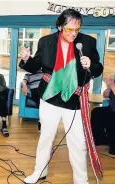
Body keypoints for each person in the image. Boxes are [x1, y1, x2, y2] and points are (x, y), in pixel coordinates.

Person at [19, 9, 103, 184]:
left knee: (78, 143)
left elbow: (98, 68)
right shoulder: (46, 42)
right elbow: (36, 66)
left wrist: (91, 65)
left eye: (77, 29)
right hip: (50, 97)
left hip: (74, 100)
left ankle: (81, 180)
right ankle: (39, 172)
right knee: (46, 137)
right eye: (69, 29)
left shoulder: (87, 42)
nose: (73, 34)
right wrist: (26, 59)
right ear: (59, 26)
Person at [91, 76, 115, 155]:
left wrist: (111, 85)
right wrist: (108, 88)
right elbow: (105, 95)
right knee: (96, 112)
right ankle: (101, 140)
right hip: (111, 109)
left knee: (111, 120)